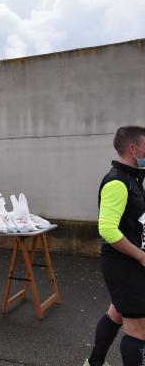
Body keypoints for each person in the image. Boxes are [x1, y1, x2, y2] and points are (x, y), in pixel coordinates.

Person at [84, 126, 145, 366]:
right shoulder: (117, 182)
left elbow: (133, 220)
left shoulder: (133, 179)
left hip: (129, 261)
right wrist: (140, 256)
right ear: (134, 148)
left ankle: (94, 364)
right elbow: (107, 230)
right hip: (124, 264)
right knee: (138, 329)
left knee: (117, 314)